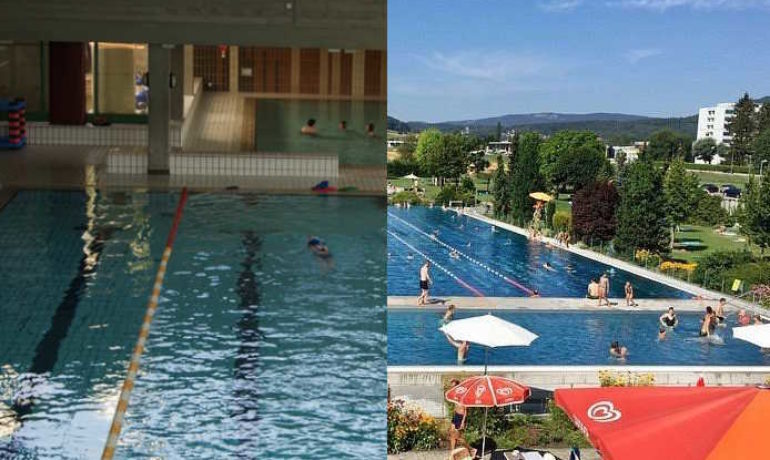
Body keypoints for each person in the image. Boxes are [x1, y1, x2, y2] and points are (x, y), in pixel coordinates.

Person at [447, 378, 468, 451]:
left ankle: (471, 449)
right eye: (452, 386)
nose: (452, 388)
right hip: (455, 416)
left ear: (458, 386)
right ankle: (452, 452)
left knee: (458, 437)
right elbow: (455, 407)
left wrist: (463, 422)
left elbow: (466, 410)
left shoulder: (463, 395)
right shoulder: (454, 395)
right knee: (452, 435)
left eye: (454, 386)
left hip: (460, 417)